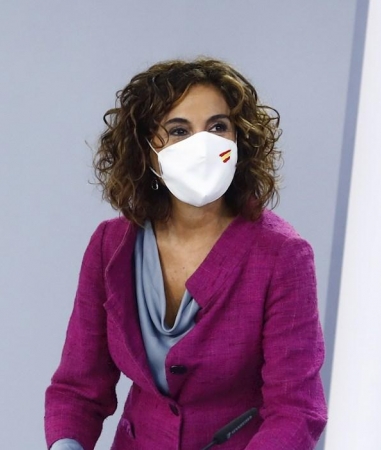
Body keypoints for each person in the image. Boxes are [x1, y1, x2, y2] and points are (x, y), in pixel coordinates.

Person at [44, 58, 327, 449]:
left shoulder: (282, 255)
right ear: (147, 149)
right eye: (179, 130)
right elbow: (77, 390)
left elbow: (296, 410)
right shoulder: (111, 247)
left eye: (217, 127)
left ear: (238, 139)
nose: (202, 144)